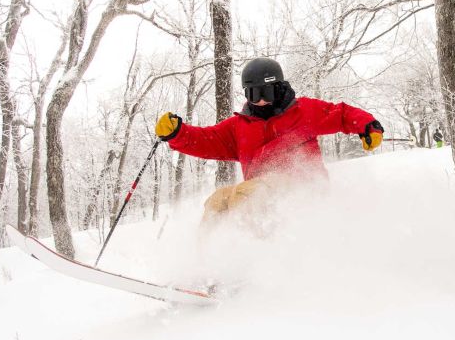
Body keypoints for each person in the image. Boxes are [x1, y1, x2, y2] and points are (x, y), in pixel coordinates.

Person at [154, 58, 383, 226]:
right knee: (218, 201)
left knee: (247, 193)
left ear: (279, 87)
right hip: (260, 195)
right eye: (253, 94)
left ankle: (250, 263)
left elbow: (341, 114)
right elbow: (206, 140)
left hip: (303, 189)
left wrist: (368, 126)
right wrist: (177, 134)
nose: (261, 101)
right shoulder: (240, 126)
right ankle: (209, 268)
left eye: (266, 92)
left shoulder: (303, 112)